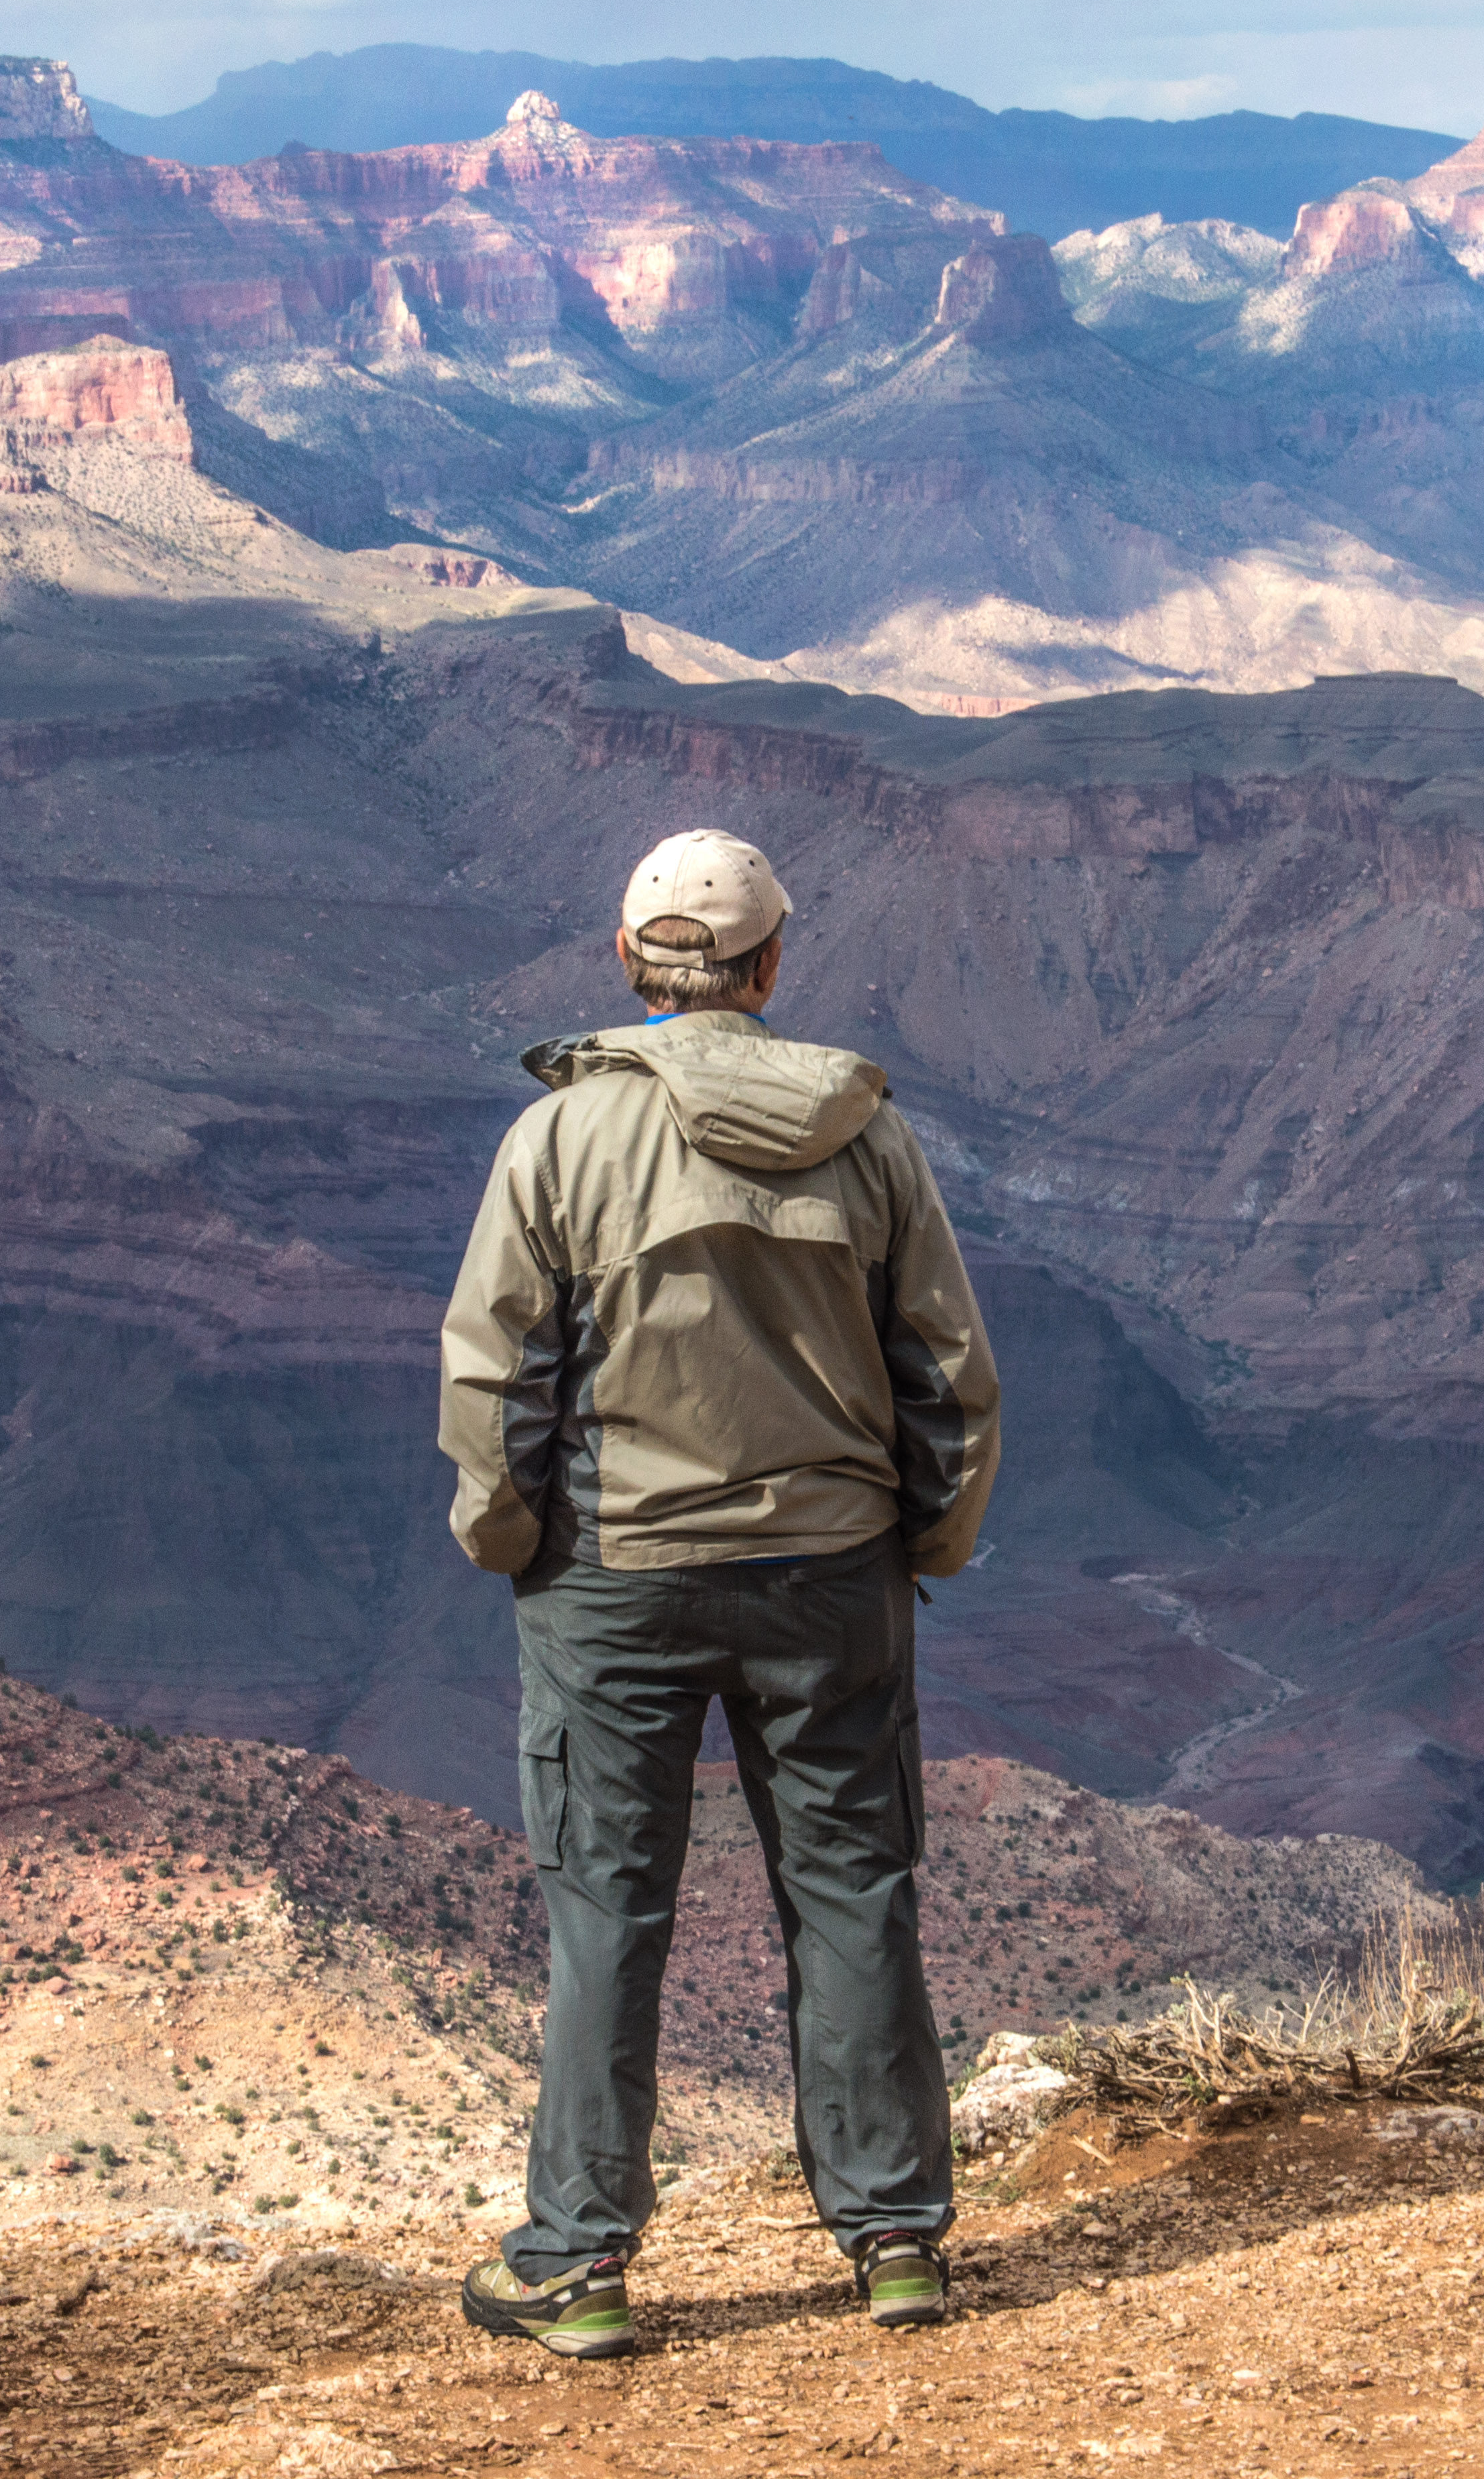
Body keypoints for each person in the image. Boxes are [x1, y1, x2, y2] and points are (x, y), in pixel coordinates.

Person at [437, 827, 1003, 2360]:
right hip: (829, 1579)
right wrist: (923, 1545)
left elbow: (497, 1380)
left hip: (614, 1580)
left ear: (629, 960)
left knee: (608, 1909)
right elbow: (945, 1371)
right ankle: (893, 2240)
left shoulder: (556, 1142)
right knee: (849, 1892)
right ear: (767, 966)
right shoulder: (865, 1137)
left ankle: (577, 2261)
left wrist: (511, 1542)